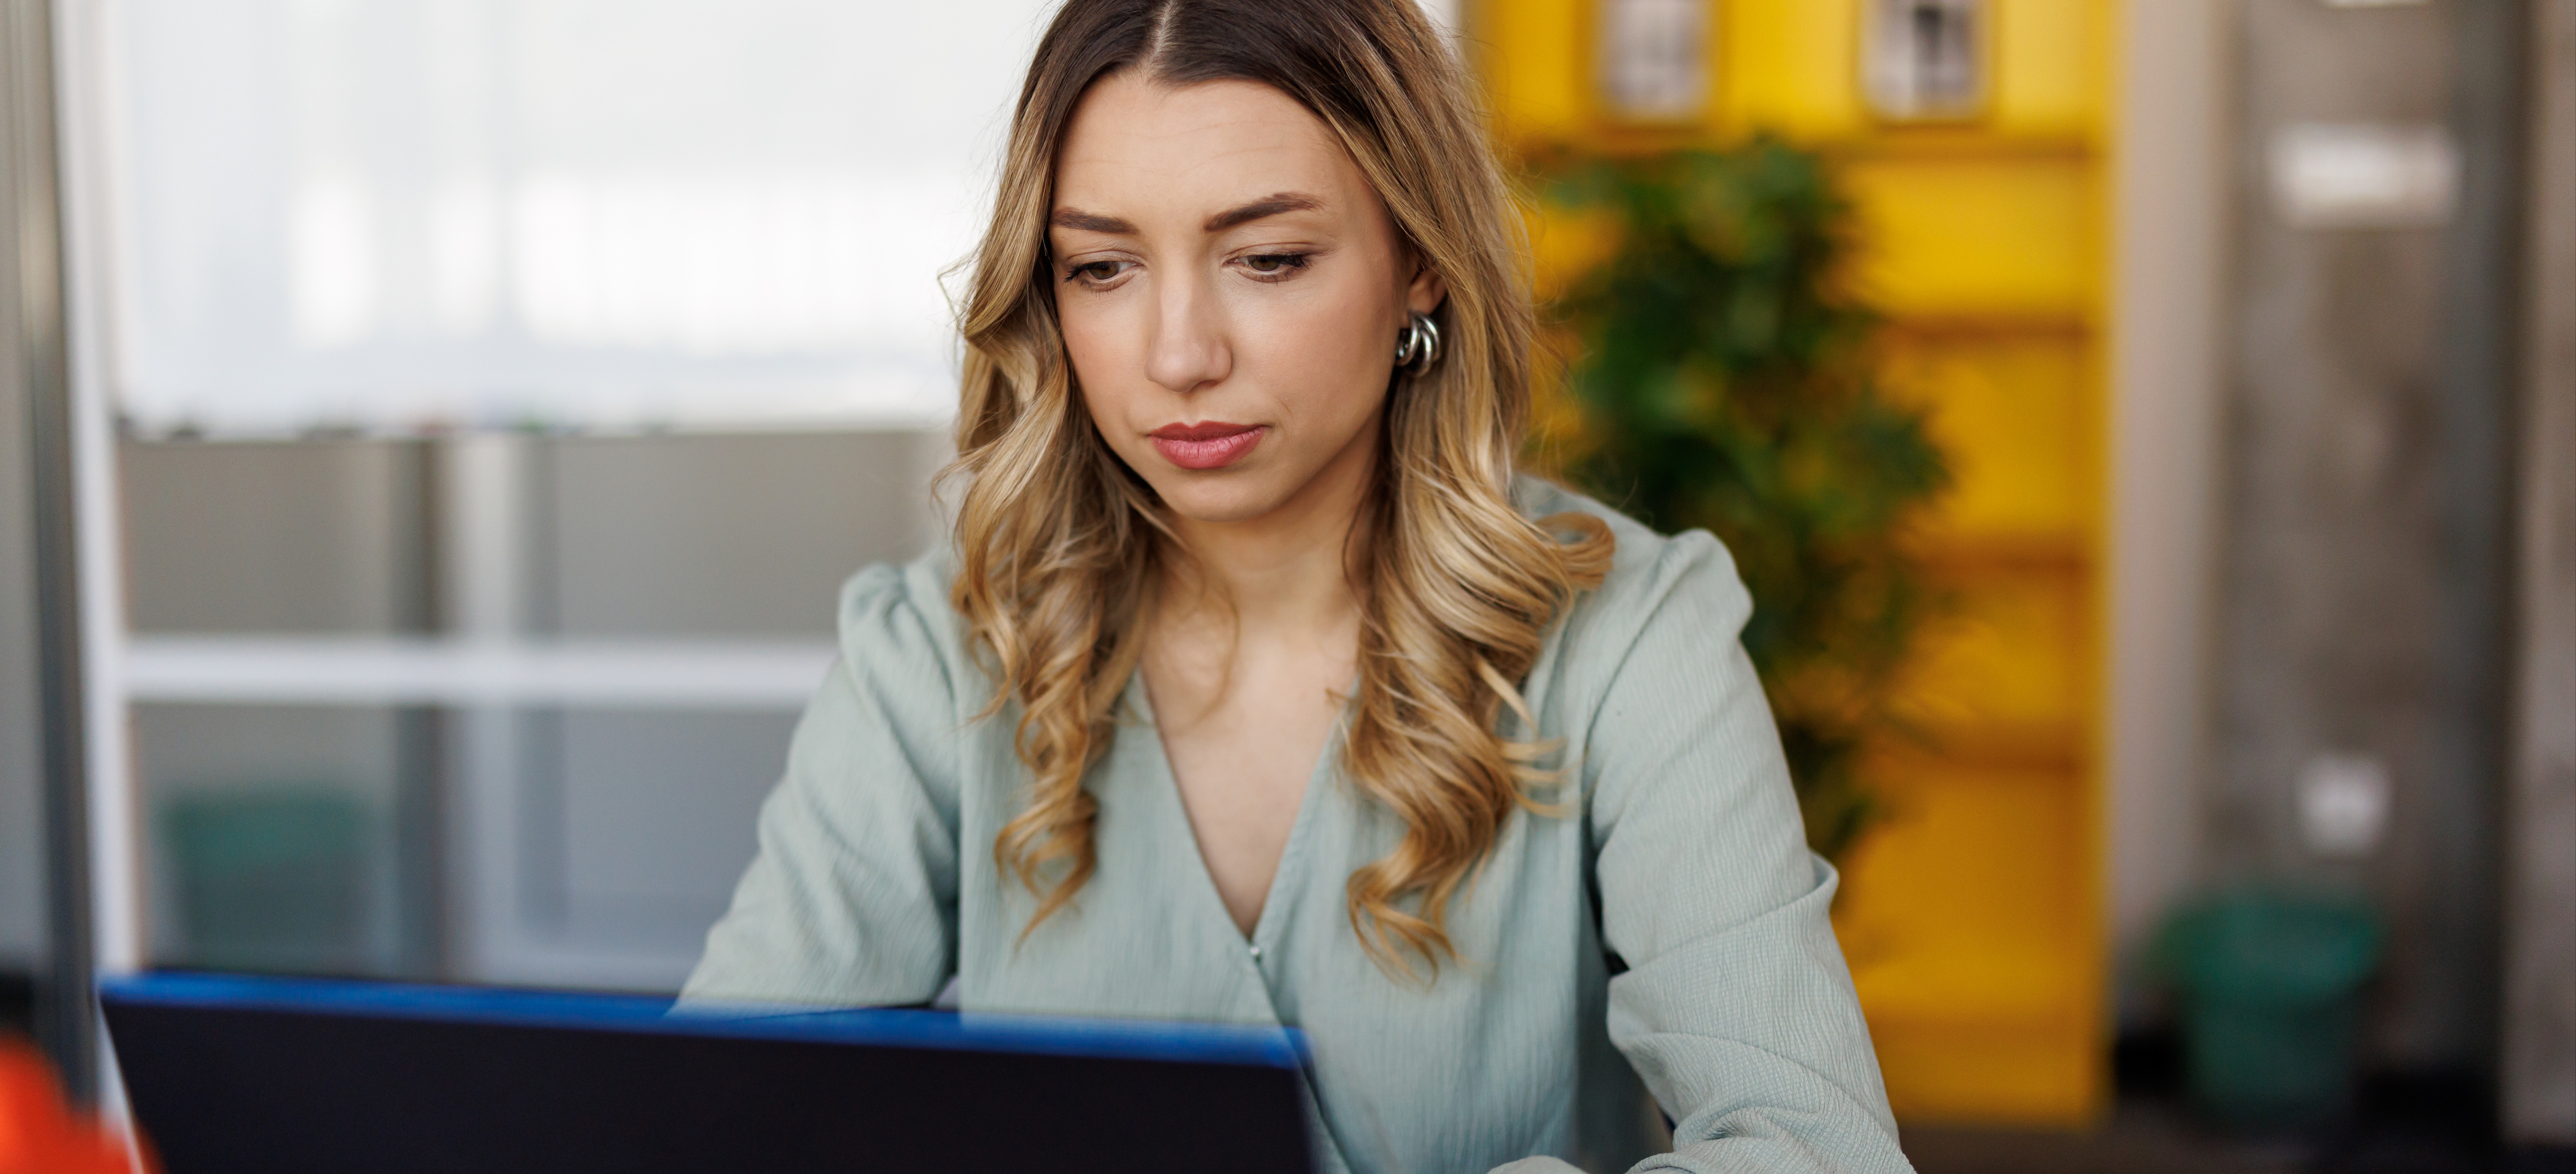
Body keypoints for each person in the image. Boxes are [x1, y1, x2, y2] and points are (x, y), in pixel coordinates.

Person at [684, 1, 1910, 1170]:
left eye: (1267, 258)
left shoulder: (1632, 637)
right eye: (1102, 270)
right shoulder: (939, 648)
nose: (1178, 355)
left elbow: (1817, 1153)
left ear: (1419, 264)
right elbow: (711, 1128)